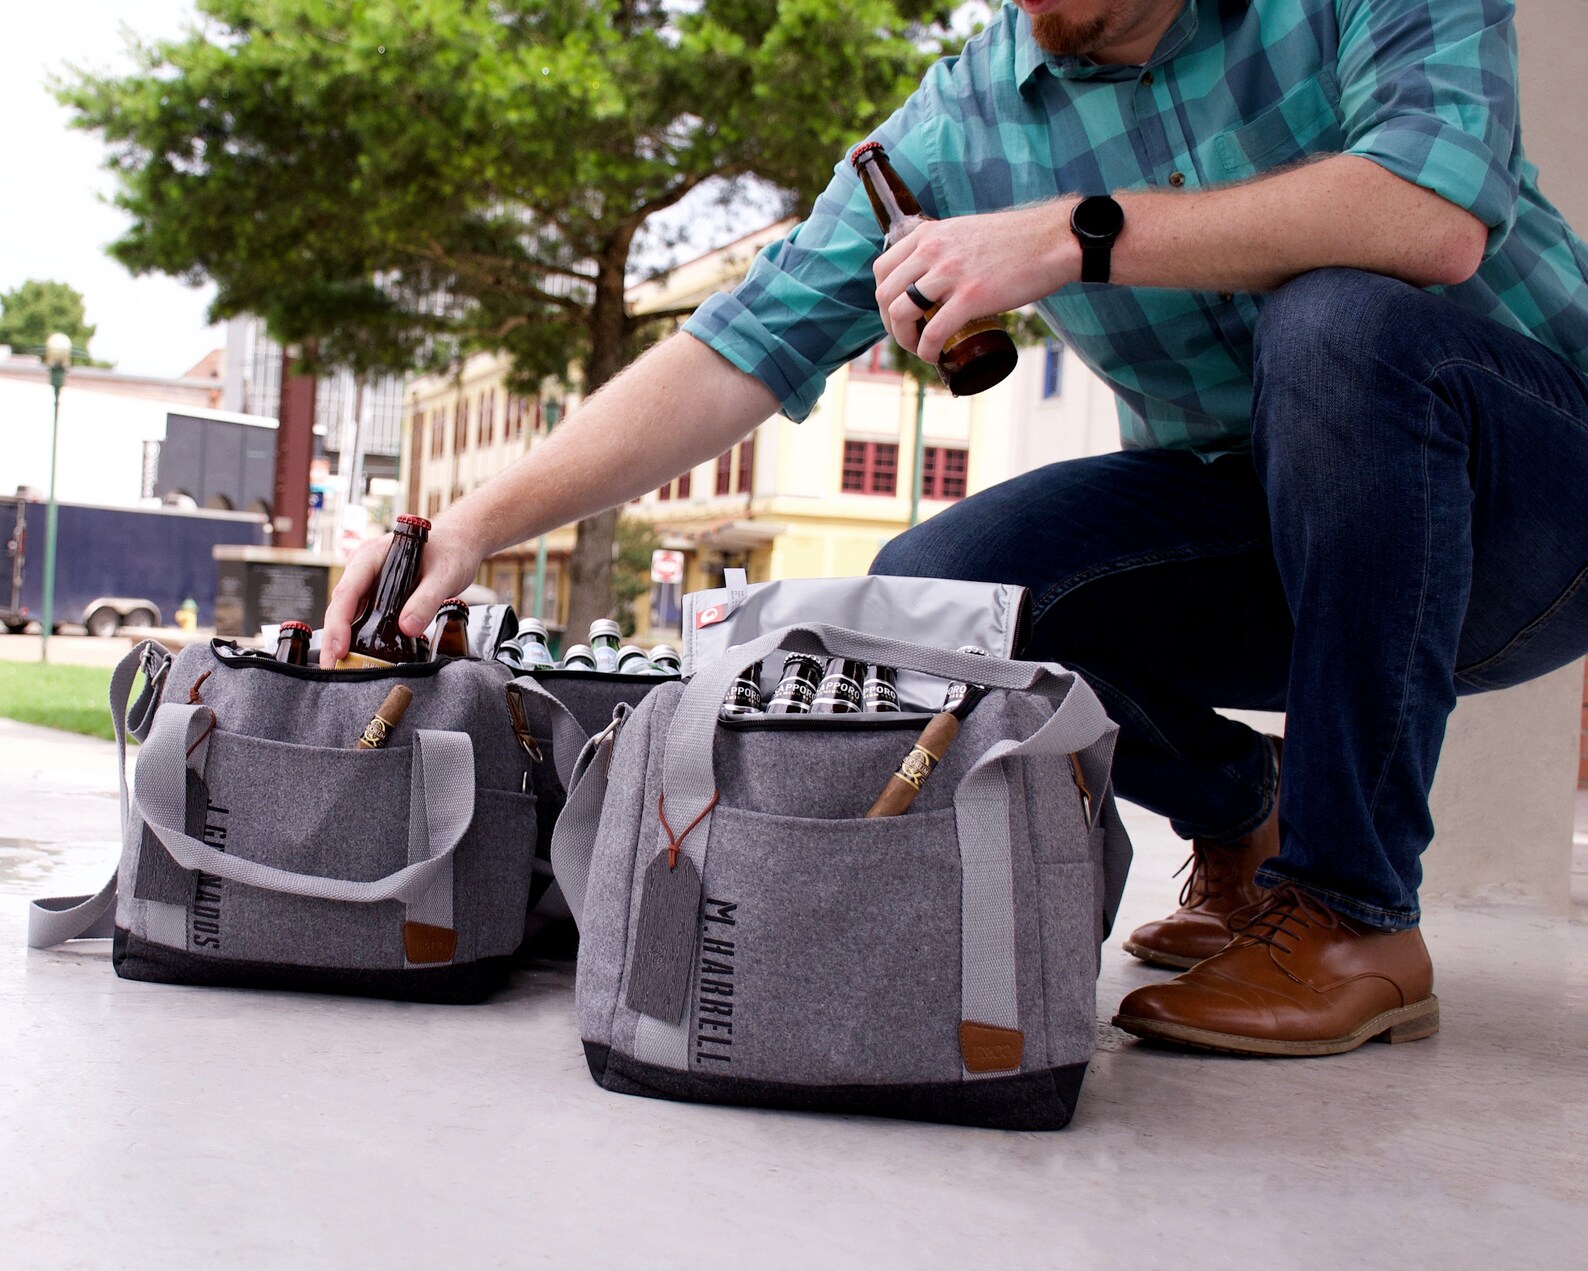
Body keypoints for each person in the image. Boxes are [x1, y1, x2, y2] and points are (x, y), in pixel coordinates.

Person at [323, 0, 1588, 1056]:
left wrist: (1073, 232)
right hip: (1280, 531)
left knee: (1342, 321)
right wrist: (472, 521)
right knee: (939, 587)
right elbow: (738, 349)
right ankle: (1238, 812)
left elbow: (1429, 210)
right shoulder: (963, 119)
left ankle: (1354, 909)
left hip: (1535, 509)